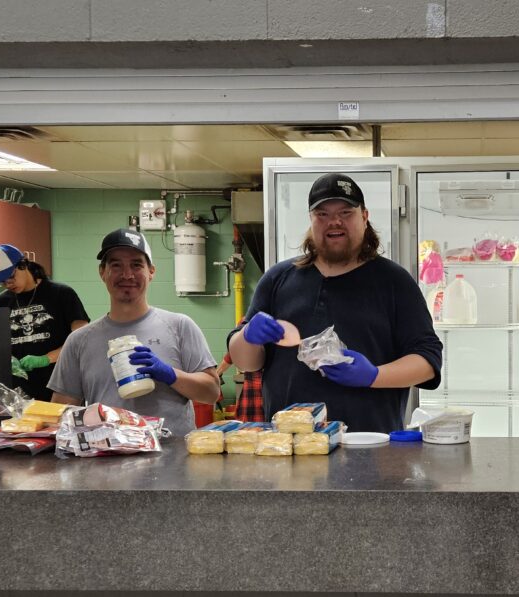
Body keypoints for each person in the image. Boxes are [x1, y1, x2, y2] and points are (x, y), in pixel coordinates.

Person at [228, 172, 443, 433]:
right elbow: (247, 363)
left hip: (370, 445)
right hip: (292, 446)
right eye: (323, 214)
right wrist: (248, 336)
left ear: (364, 217)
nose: (334, 222)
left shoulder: (394, 281)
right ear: (311, 220)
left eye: (346, 212)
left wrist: (374, 376)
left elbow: (428, 362)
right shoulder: (278, 278)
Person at [48, 228, 220, 435]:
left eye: (136, 265)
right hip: (105, 459)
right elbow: (62, 413)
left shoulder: (180, 326)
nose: (127, 274)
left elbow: (211, 393)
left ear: (151, 271)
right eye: (116, 265)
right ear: (102, 272)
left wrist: (170, 374)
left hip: (173, 462)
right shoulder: (78, 341)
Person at [0, 243, 90, 401]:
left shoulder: (61, 294)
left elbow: (82, 338)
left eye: (10, 276)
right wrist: (6, 359)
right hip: (19, 392)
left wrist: (47, 358)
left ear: (24, 264)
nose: (7, 284)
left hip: (60, 387)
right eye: (1, 282)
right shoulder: (0, 302)